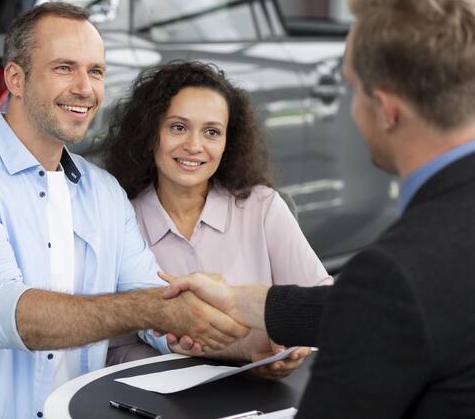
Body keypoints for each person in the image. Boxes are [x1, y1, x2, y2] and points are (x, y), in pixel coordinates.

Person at [0, 2, 249, 419]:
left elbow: (157, 306)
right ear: (16, 78)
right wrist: (154, 309)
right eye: (65, 67)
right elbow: (7, 315)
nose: (86, 88)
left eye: (95, 71)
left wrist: (243, 342)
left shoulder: (103, 192)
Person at [161, 0, 475, 417]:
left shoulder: (393, 275)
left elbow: (386, 303)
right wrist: (245, 302)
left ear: (386, 110)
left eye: (352, 88)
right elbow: (369, 306)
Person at [101, 61, 332, 370]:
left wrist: (291, 348)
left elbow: (322, 303)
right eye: (178, 127)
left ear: (228, 143)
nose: (194, 146)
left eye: (211, 132)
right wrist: (183, 358)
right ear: (149, 133)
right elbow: (113, 347)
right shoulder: (120, 220)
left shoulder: (262, 206)